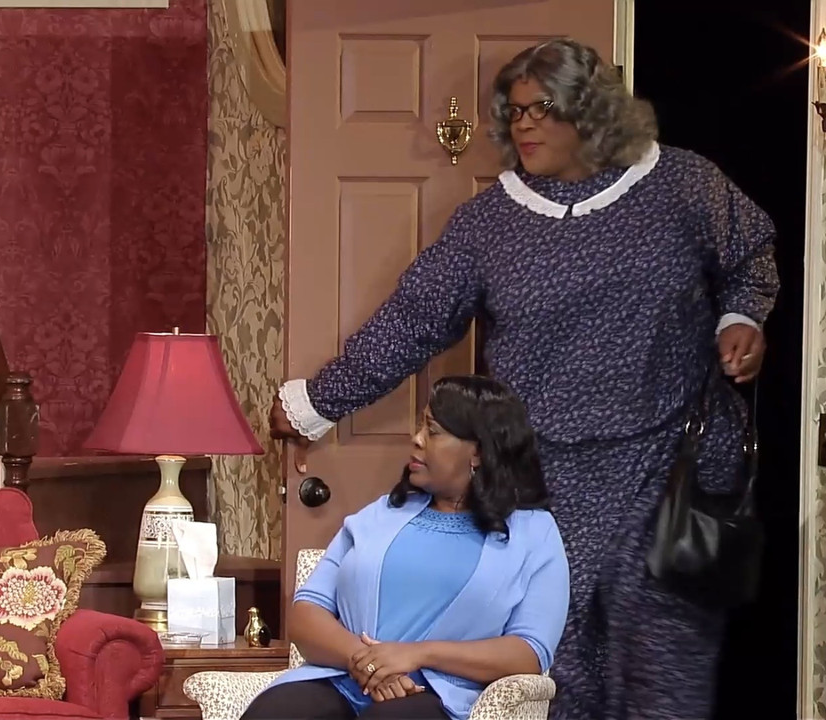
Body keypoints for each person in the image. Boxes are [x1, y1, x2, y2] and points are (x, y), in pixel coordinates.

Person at [270, 38, 777, 720]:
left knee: (662, 665)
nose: (525, 125)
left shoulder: (683, 184)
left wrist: (741, 319)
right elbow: (412, 321)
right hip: (545, 478)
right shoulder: (491, 223)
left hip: (667, 469)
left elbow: (750, 255)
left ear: (591, 112)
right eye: (514, 112)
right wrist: (317, 402)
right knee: (559, 670)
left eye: (543, 108)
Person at [245, 375, 569, 720]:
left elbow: (529, 652)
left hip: (438, 697)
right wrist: (367, 663)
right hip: (341, 679)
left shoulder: (534, 534)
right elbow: (306, 612)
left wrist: (417, 655)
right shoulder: (380, 514)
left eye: (433, 431)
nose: (416, 439)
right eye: (420, 426)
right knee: (277, 712)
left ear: (477, 451)